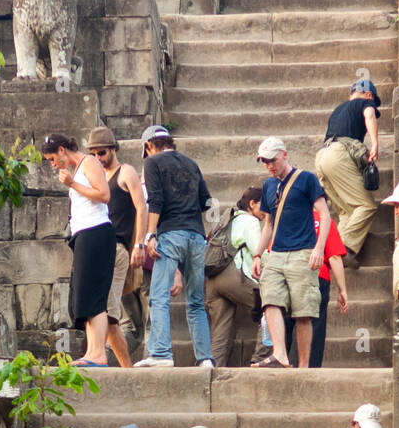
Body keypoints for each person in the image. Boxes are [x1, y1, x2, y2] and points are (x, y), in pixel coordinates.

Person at [133, 125, 215, 368]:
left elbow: (155, 201)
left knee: (158, 297)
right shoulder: (191, 163)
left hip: (170, 233)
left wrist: (150, 236)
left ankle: (160, 353)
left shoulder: (153, 163)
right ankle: (205, 358)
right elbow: (206, 201)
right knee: (196, 302)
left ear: (149, 146)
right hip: (197, 236)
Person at [250, 137, 332, 370]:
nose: (269, 166)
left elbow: (325, 215)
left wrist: (318, 248)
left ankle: (303, 366)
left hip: (302, 250)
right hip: (275, 251)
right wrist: (258, 254)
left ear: (284, 155)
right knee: (270, 300)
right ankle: (280, 354)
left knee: (303, 311)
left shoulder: (306, 179)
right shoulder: (268, 186)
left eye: (272, 160)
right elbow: (268, 223)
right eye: (265, 162)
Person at [40, 134, 114, 368]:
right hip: (84, 235)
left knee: (95, 295)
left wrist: (73, 184)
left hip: (97, 231)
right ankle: (92, 352)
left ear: (62, 150)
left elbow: (104, 194)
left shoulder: (89, 163)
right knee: (84, 295)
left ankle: (99, 353)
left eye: (52, 159)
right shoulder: (77, 169)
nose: (53, 164)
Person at [85, 126, 147, 368]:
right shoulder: (97, 178)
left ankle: (112, 362)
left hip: (121, 247)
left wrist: (139, 243)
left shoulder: (125, 172)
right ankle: (125, 367)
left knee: (108, 312)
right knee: (106, 314)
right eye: (94, 155)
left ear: (112, 149)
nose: (98, 159)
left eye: (101, 153)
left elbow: (141, 207)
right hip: (100, 248)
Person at [266, 207, 349, 369]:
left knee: (285, 326)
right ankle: (305, 370)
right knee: (312, 326)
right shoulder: (324, 221)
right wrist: (342, 289)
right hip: (315, 276)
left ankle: (283, 365)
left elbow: (271, 252)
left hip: (284, 276)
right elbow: (334, 257)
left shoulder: (284, 220)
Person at [316, 79, 382, 260]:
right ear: (369, 95)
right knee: (366, 205)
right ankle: (343, 250)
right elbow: (369, 114)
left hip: (322, 157)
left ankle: (333, 254)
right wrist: (375, 143)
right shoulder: (366, 102)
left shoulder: (338, 110)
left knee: (346, 211)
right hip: (338, 157)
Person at [204, 185, 264, 367]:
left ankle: (213, 372)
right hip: (233, 277)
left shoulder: (227, 219)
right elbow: (257, 252)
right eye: (264, 204)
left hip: (213, 279)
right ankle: (261, 360)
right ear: (252, 204)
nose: (267, 210)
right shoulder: (250, 221)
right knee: (270, 310)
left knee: (220, 330)